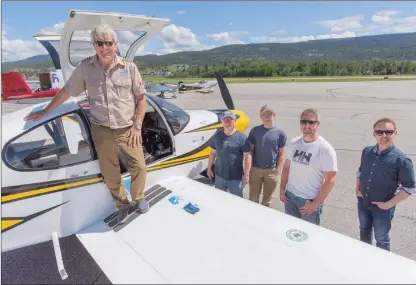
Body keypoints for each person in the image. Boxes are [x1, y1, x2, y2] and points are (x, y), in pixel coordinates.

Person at [24, 24, 149, 224]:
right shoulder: (85, 68)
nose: (104, 47)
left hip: (127, 127)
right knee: (110, 171)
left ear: (116, 45)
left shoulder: (129, 67)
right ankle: (122, 204)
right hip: (101, 129)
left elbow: (141, 99)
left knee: (140, 167)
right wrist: (47, 110)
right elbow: (67, 91)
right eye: (100, 43)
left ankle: (139, 197)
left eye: (109, 43)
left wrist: (137, 125)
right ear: (94, 45)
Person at [356, 117, 415, 251]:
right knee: (364, 231)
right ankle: (364, 256)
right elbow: (360, 171)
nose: (384, 135)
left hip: (383, 208)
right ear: (374, 133)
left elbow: (410, 187)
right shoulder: (367, 152)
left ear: (395, 133)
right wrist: (357, 190)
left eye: (388, 132)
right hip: (363, 202)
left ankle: (383, 267)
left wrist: (388, 204)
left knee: (381, 238)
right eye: (379, 132)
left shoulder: (402, 160)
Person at [279, 108, 337, 225]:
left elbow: (330, 180)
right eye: (303, 122)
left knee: (309, 236)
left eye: (311, 122)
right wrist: (282, 190)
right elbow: (286, 167)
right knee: (290, 230)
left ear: (317, 124)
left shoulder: (325, 149)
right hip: (290, 197)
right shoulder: (294, 142)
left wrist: (315, 204)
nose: (306, 126)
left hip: (308, 201)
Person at [248, 105, 287, 207]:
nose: (266, 117)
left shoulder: (280, 133)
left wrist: (277, 171)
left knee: (267, 200)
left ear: (274, 115)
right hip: (256, 170)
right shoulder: (255, 131)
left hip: (271, 171)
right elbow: (250, 152)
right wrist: (250, 169)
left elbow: (282, 155)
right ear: (261, 117)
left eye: (269, 114)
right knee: (253, 199)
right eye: (264, 115)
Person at [207, 111, 252, 197]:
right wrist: (209, 168)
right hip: (219, 176)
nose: (227, 122)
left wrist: (246, 175)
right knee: (219, 199)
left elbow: (248, 157)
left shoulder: (242, 137)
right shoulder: (217, 135)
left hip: (235, 178)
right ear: (222, 122)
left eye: (230, 120)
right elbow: (212, 153)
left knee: (237, 202)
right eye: (225, 120)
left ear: (235, 121)